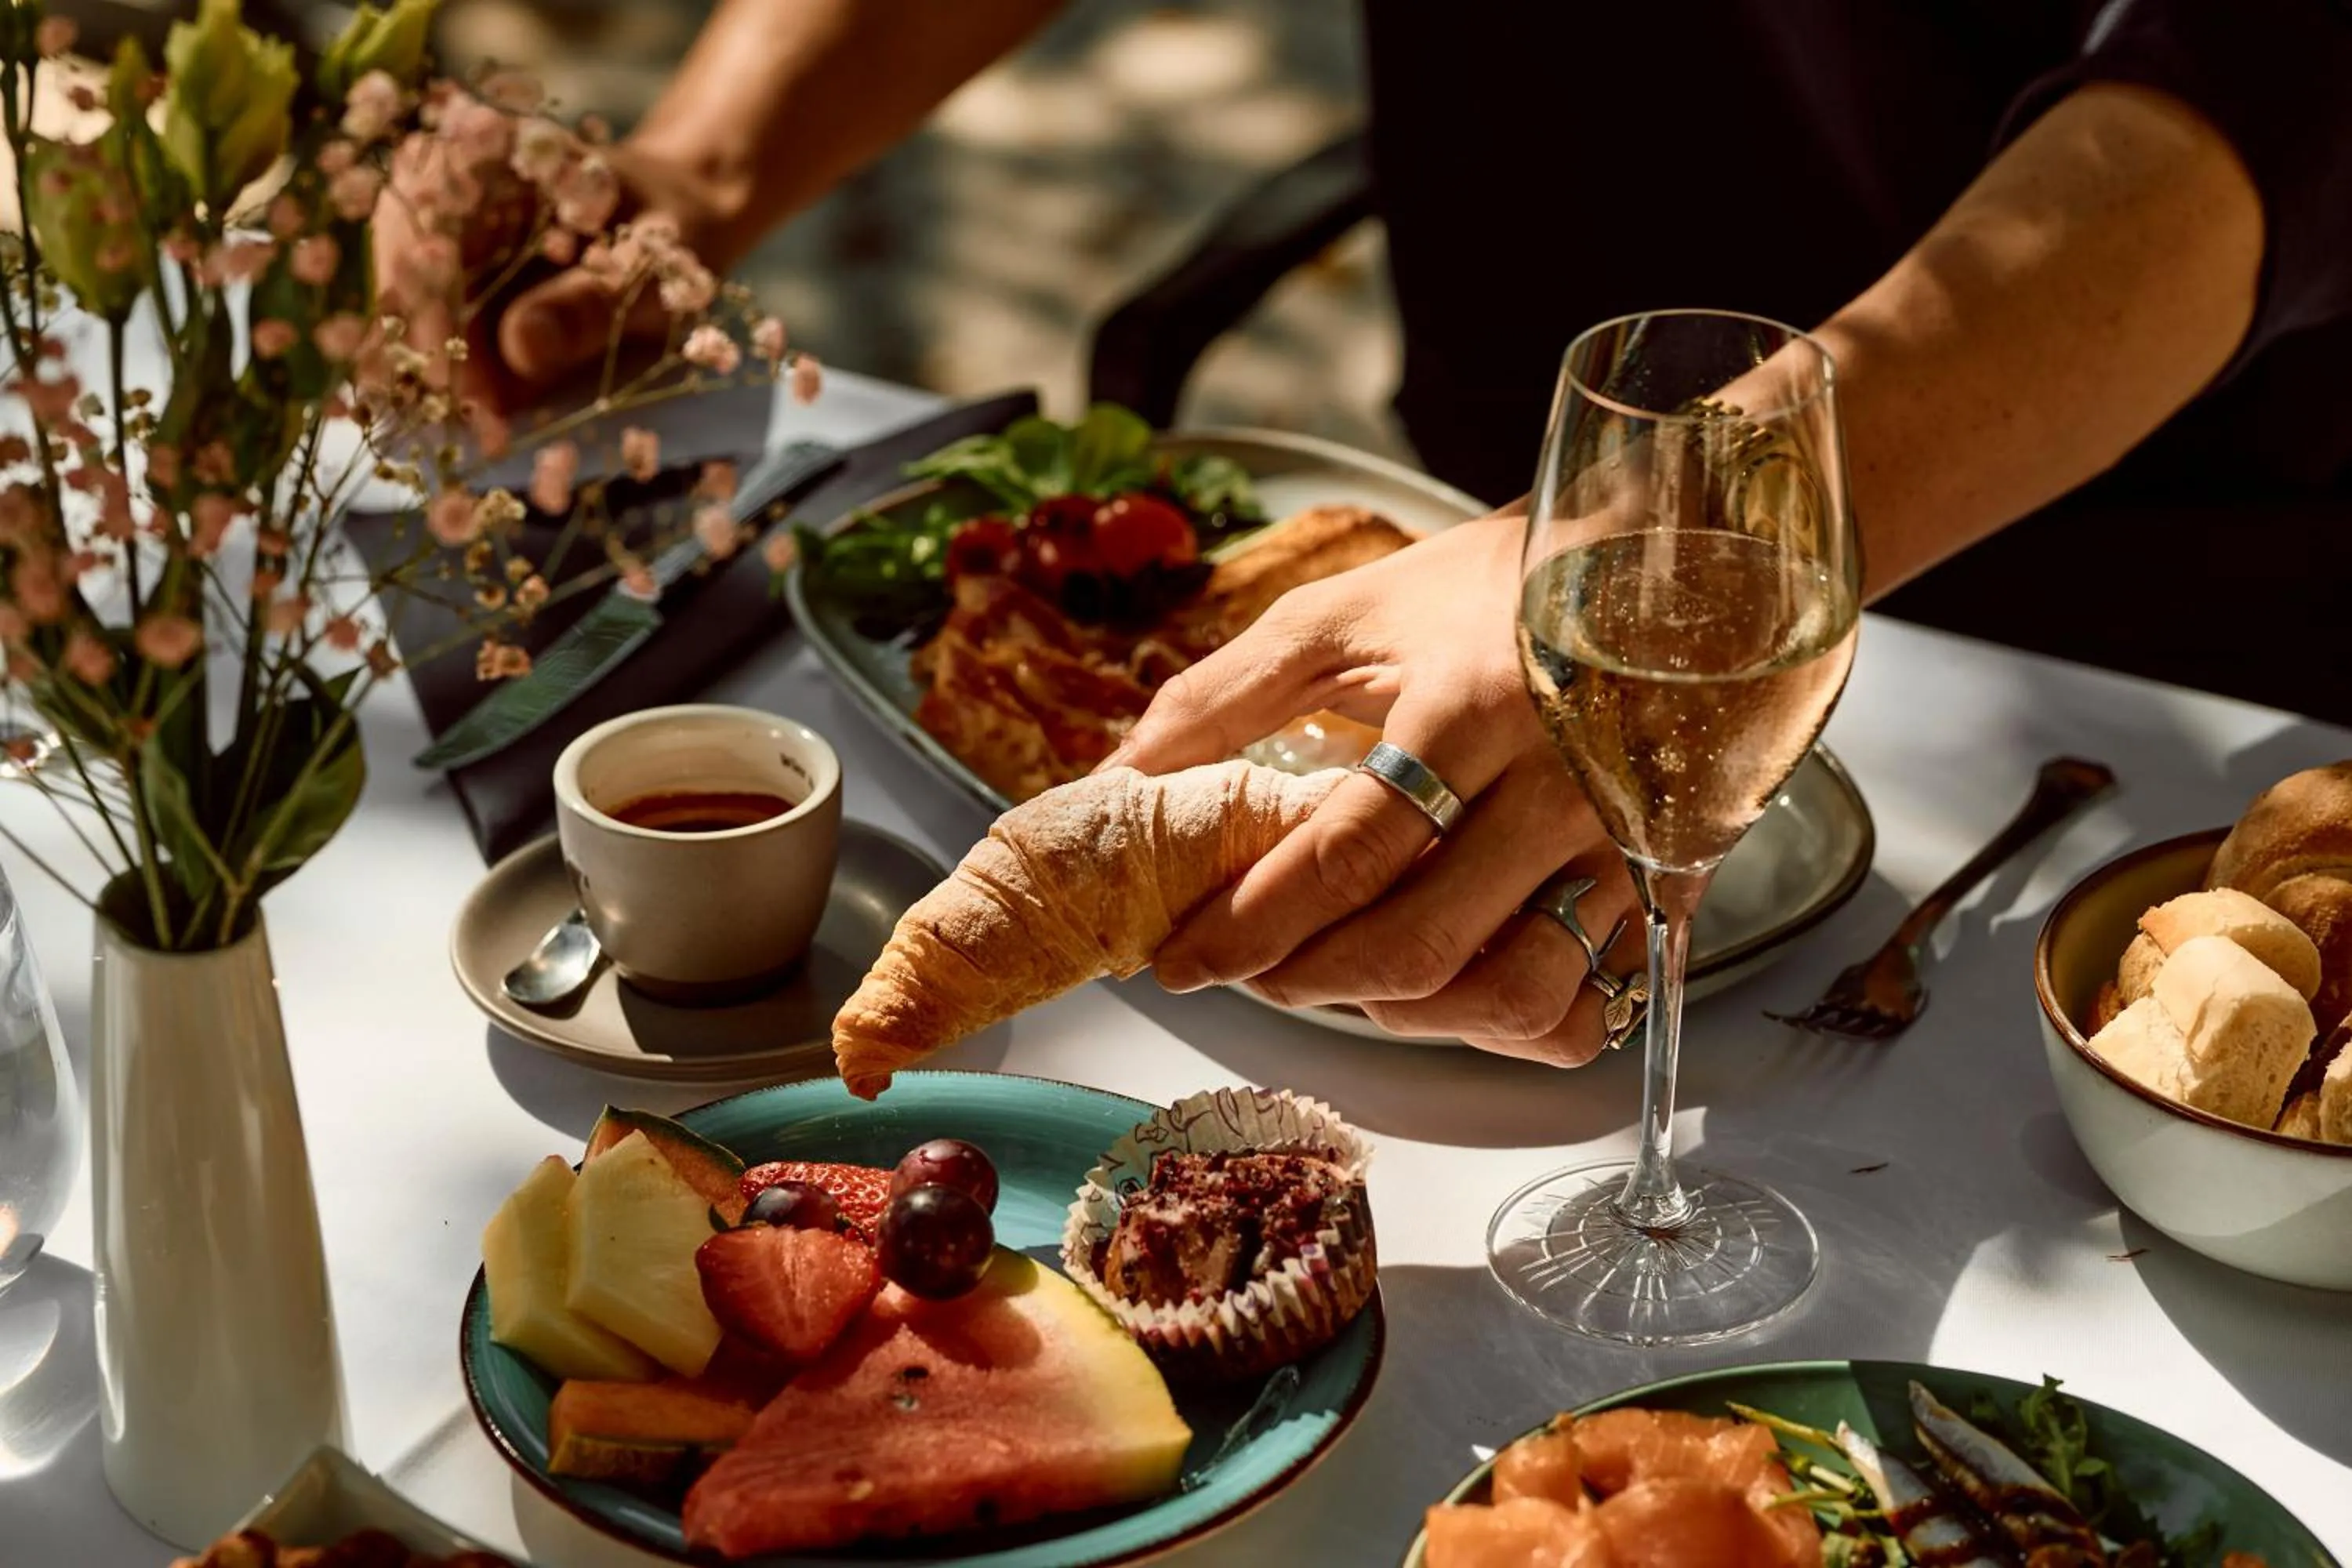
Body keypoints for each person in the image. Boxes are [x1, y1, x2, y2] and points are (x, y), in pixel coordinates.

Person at [395, 0, 2352, 1066]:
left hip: (2146, 616)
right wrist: (703, 165)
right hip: (1494, 524)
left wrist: (1677, 538)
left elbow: (2267, 74)